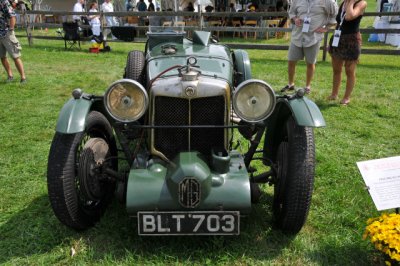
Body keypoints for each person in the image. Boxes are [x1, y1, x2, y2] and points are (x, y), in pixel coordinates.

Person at [281, 0, 338, 94]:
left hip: (313, 37)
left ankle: (307, 86)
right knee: (291, 61)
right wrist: (295, 19)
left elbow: (335, 16)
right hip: (297, 36)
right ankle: (290, 84)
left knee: (310, 63)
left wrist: (326, 28)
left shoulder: (327, 1)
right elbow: (291, 13)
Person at [327, 0, 367, 105]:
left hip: (352, 40)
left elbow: (350, 16)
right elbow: (339, 21)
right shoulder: (343, 3)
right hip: (338, 38)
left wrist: (351, 2)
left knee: (349, 70)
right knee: (336, 69)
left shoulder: (362, 3)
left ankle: (346, 97)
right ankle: (334, 94)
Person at [0, 0, 26, 83]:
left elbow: (12, 16)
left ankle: (23, 78)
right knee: (2, 57)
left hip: (7, 33)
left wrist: (11, 30)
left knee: (15, 56)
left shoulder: (4, 2)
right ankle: (10, 76)